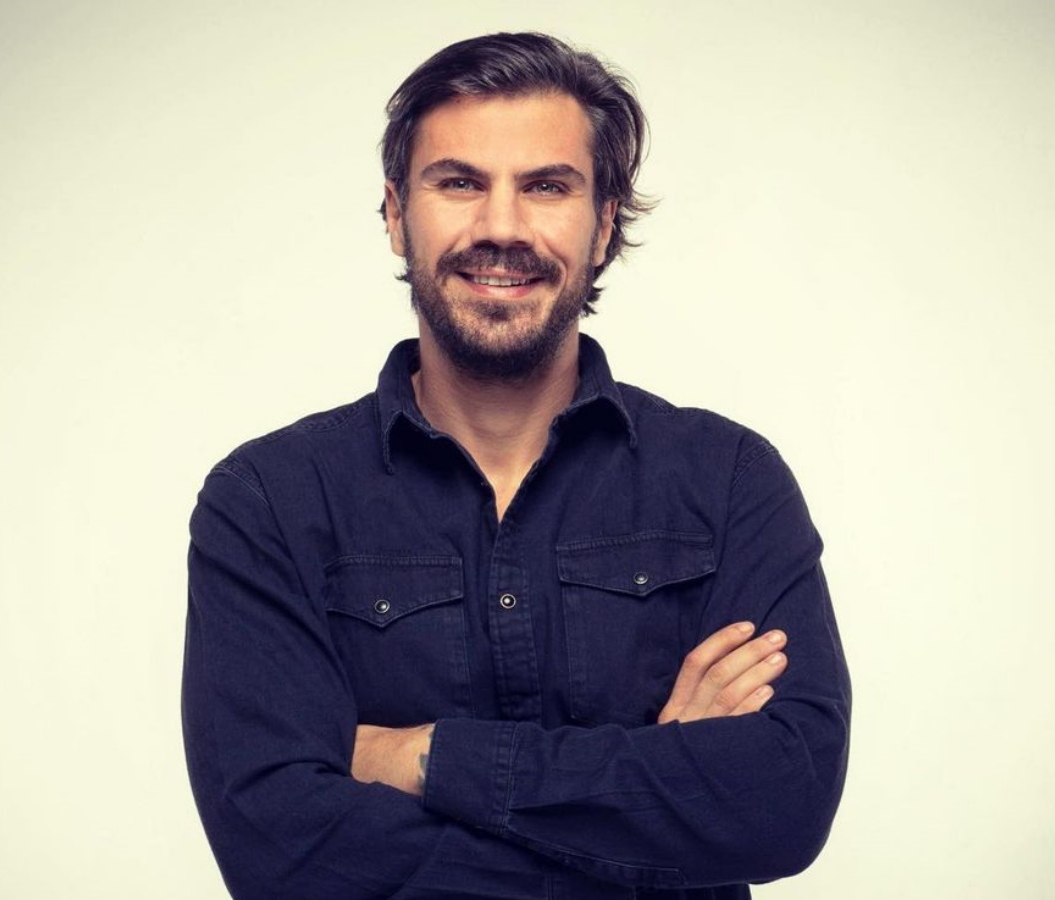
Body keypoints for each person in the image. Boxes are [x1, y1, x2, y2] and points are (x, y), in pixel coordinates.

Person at [182, 32, 851, 900]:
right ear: (396, 214)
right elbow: (283, 856)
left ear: (603, 223)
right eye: (459, 183)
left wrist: (420, 757)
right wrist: (655, 800)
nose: (501, 228)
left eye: (546, 187)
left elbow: (779, 805)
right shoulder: (268, 502)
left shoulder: (728, 481)